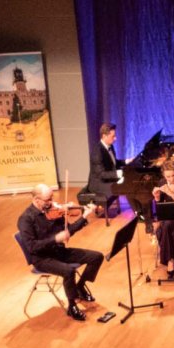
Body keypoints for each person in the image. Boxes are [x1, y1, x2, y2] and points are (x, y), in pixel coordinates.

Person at [17, 184, 104, 321]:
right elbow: (32, 247)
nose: (52, 202)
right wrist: (55, 239)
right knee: (69, 271)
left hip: (59, 251)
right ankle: (72, 306)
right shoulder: (26, 219)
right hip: (42, 258)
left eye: (52, 198)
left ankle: (80, 287)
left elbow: (69, 230)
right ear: (36, 200)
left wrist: (84, 217)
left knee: (96, 257)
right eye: (48, 200)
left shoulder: (55, 212)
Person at [79, 122, 122, 214]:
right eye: (113, 136)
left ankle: (138, 211)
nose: (115, 138)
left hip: (105, 179)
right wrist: (118, 174)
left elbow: (114, 163)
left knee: (124, 184)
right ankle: (96, 204)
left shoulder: (110, 146)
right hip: (97, 183)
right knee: (118, 186)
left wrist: (127, 161)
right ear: (104, 136)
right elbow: (101, 174)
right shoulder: (97, 152)